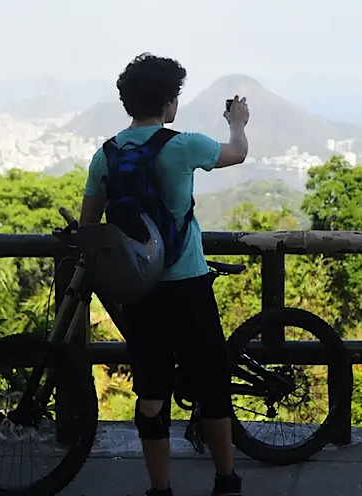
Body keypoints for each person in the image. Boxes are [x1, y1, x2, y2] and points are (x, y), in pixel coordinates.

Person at [78, 53, 250, 496]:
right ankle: (225, 480)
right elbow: (237, 154)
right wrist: (238, 122)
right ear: (170, 102)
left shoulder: (107, 155)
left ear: (127, 102)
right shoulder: (182, 145)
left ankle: (160, 489)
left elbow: (89, 227)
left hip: (138, 291)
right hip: (188, 283)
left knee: (151, 390)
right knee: (212, 385)